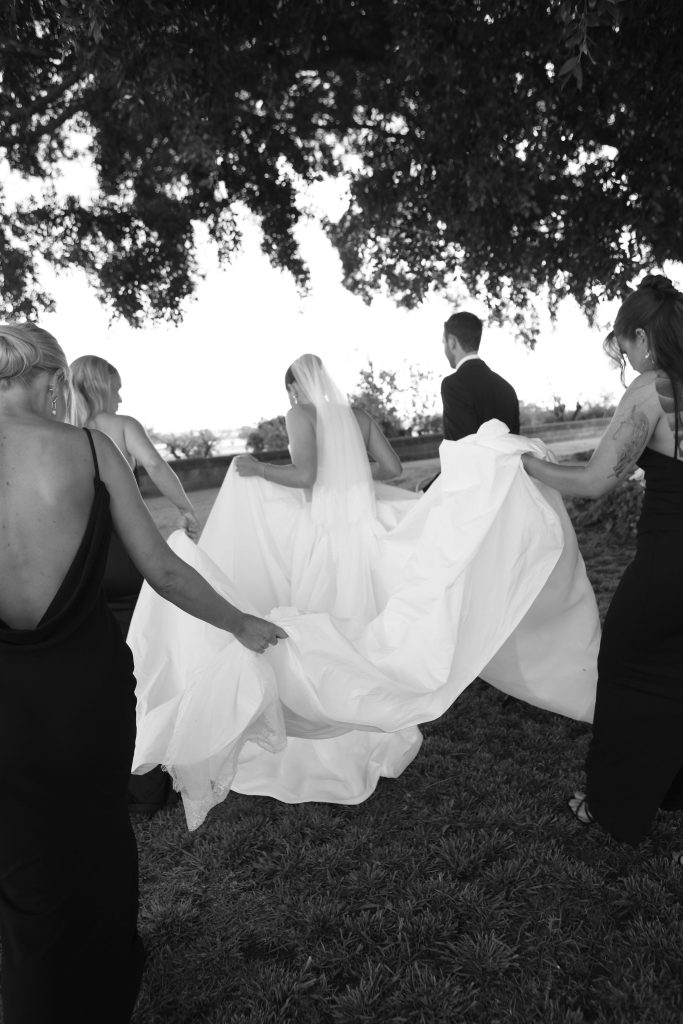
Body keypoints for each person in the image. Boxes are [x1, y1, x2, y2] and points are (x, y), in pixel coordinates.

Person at [128, 353, 599, 830]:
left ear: (295, 389)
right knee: (360, 632)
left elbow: (306, 477)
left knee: (324, 634)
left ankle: (327, 744)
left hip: (327, 538)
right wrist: (350, 474)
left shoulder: (299, 414)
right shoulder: (358, 417)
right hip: (365, 532)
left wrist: (257, 468)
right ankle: (371, 735)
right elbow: (392, 468)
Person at [0, 323, 286, 1023]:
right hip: (86, 687)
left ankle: (33, 998)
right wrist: (240, 623)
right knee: (97, 834)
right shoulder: (89, 447)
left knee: (19, 852)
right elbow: (159, 567)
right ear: (52, 377)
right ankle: (104, 991)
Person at [522, 274, 683, 850]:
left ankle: (613, 809)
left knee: (623, 670)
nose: (628, 358)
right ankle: (669, 790)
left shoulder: (650, 389)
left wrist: (530, 467)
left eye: (625, 345)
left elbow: (594, 482)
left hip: (670, 562)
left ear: (642, 337)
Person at [441, 311, 520, 440]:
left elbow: (458, 447)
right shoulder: (507, 388)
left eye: (443, 342)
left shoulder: (453, 385)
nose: (444, 348)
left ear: (451, 342)